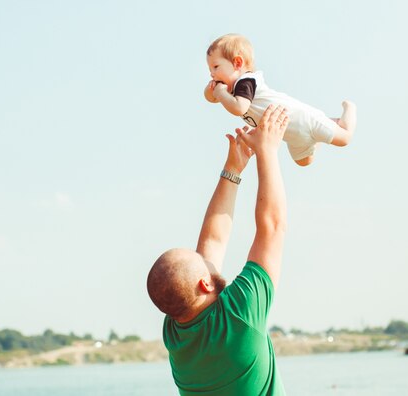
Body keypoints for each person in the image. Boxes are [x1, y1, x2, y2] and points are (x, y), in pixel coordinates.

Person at [147, 105, 290, 395]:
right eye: (200, 261)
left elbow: (212, 242)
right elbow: (271, 227)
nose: (204, 255)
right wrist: (268, 151)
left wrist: (233, 169)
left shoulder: (176, 334)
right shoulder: (239, 315)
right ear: (204, 282)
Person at [204, 33, 357, 167]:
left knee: (344, 138)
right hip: (292, 134)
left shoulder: (246, 82)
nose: (212, 74)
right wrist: (214, 90)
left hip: (304, 120)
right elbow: (210, 97)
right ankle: (319, 134)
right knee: (304, 161)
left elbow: (239, 108)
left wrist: (219, 92)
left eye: (216, 67)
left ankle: (348, 110)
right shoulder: (231, 89)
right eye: (210, 70)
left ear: (237, 63)